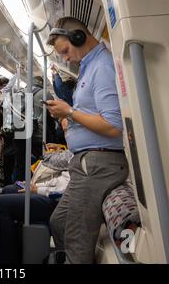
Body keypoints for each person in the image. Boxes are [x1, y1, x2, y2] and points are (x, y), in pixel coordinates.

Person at [46, 16, 129, 264]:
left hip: (97, 163)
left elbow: (114, 126)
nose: (65, 58)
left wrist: (70, 112)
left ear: (79, 37)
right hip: (86, 162)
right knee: (58, 222)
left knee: (76, 241)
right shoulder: (88, 66)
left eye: (65, 50)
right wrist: (69, 119)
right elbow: (93, 114)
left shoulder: (101, 66)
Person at [0, 148, 72, 264]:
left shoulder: (86, 156)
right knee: (8, 190)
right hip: (53, 191)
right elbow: (60, 180)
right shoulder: (78, 151)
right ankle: (14, 254)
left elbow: (66, 191)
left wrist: (38, 189)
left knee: (0, 204)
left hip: (59, 202)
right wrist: (36, 185)